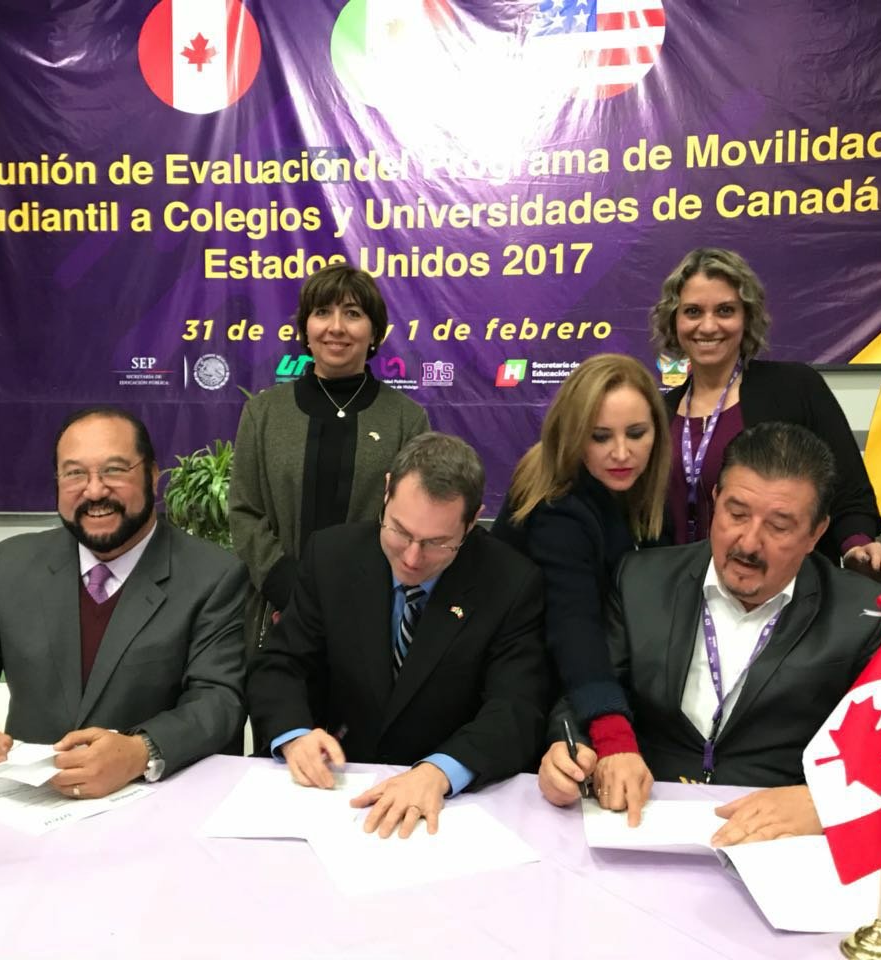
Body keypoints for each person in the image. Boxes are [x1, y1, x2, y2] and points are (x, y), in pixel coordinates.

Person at [538, 422, 881, 846]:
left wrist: (825, 803)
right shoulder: (642, 580)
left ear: (816, 533)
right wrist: (570, 753)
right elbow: (585, 694)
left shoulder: (864, 615)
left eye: (779, 526)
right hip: (644, 819)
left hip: (779, 838)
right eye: (736, 514)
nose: (748, 543)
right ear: (714, 501)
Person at [0, 406, 248, 798]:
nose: (94, 491)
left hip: (158, 804)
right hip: (30, 806)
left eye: (114, 470)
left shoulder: (213, 575)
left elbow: (219, 701)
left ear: (152, 476)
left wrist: (141, 752)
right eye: (75, 474)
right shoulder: (12, 565)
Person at [246, 432, 548, 839]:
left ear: (472, 520)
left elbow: (515, 708)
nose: (412, 558)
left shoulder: (510, 582)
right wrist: (295, 736)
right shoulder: (332, 556)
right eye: (400, 531)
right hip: (337, 788)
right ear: (387, 491)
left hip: (448, 810)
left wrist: (441, 771)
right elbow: (281, 664)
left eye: (437, 543)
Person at [491, 354, 669, 825]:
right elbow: (574, 628)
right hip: (529, 694)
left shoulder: (642, 494)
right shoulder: (558, 508)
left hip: (584, 683)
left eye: (636, 433)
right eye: (600, 436)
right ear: (572, 436)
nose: (622, 453)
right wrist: (613, 734)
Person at [650, 247, 881, 583]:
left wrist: (856, 545)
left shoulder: (795, 388)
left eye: (725, 310)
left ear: (747, 318)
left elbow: (848, 490)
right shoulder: (660, 414)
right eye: (693, 311)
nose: (708, 326)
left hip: (782, 593)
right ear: (674, 321)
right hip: (682, 593)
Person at [230, 262, 430, 651]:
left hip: (371, 612)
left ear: (374, 331)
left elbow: (414, 520)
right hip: (278, 610)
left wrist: (353, 596)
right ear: (306, 328)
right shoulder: (264, 413)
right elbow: (244, 512)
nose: (336, 327)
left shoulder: (407, 419)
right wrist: (287, 586)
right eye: (322, 312)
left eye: (352, 314)